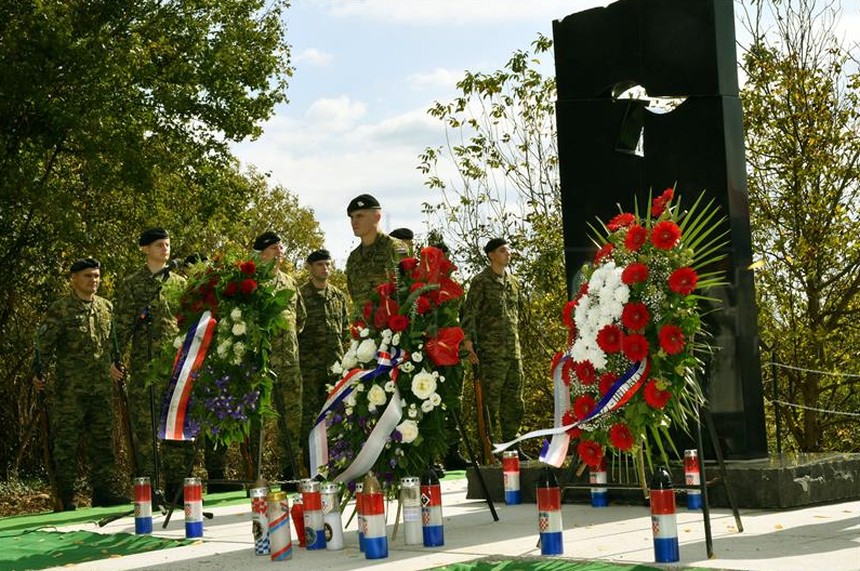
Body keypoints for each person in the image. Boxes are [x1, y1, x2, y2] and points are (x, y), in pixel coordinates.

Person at [33, 258, 125, 510]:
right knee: (66, 443)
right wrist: (38, 373)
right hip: (70, 390)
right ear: (74, 278)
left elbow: (112, 345)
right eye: (87, 276)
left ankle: (103, 491)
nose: (93, 280)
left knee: (103, 441)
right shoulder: (60, 309)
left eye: (96, 275)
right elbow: (44, 346)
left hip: (100, 389)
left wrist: (116, 364)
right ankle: (65, 496)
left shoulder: (106, 307)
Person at [111, 228, 193, 501]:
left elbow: (190, 324)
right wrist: (115, 358)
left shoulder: (180, 284)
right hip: (145, 368)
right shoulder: (132, 284)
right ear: (145, 249)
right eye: (159, 245)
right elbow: (121, 325)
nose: (165, 249)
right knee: (146, 432)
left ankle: (176, 489)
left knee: (175, 429)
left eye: (167, 244)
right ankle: (150, 491)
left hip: (175, 369)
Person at [461, 238, 528, 459]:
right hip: (491, 354)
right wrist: (468, 342)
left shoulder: (514, 282)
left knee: (515, 401)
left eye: (508, 250)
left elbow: (519, 316)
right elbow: (469, 313)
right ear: (491, 255)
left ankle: (513, 445)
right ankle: (494, 448)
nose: (508, 253)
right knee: (491, 402)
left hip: (513, 351)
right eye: (502, 250)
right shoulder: (481, 281)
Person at [251, 231, 306, 484]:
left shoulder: (290, 282)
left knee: (293, 420)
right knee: (258, 421)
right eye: (274, 248)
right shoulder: (251, 283)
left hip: (290, 363)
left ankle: (290, 471)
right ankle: (257, 474)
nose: (279, 251)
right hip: (260, 364)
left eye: (280, 247)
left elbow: (301, 319)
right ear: (262, 253)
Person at [297, 249, 349, 474]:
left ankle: (337, 463)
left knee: (337, 415)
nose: (325, 269)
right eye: (319, 265)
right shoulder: (300, 296)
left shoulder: (338, 296)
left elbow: (345, 332)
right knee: (310, 418)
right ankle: (311, 466)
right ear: (309, 267)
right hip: (309, 369)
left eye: (328, 264)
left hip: (335, 367)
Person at [345, 193, 409, 308]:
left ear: (377, 217)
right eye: (352, 217)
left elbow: (406, 290)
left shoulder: (394, 247)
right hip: (363, 324)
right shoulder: (353, 258)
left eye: (359, 216)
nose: (354, 222)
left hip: (391, 322)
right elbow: (353, 296)